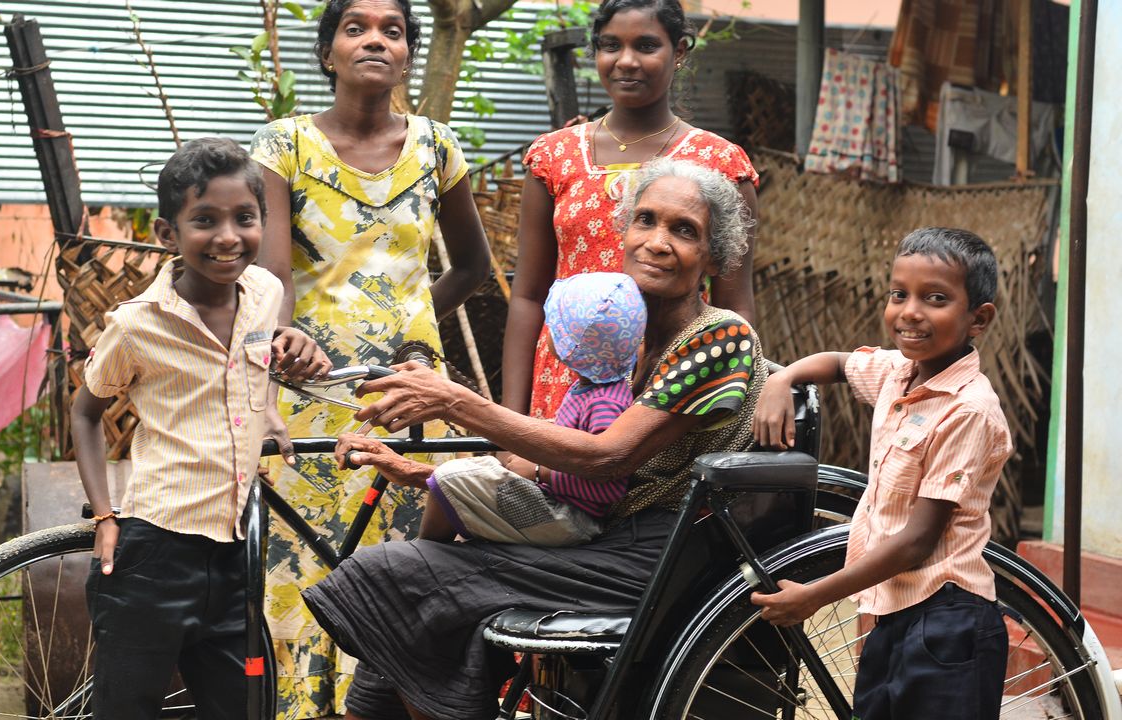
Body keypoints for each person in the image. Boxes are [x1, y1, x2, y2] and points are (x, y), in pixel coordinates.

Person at [302, 159, 767, 720]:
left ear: (714, 257)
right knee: (399, 598)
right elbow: (557, 458)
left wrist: (455, 402)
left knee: (396, 576)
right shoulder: (625, 338)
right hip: (597, 534)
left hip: (660, 557)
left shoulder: (721, 336)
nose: (657, 242)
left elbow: (608, 456)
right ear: (623, 232)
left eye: (684, 230)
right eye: (645, 220)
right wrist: (420, 472)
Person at [248, 0, 491, 712]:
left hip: (414, 393)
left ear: (409, 52)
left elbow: (472, 266)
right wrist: (284, 339)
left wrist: (409, 324)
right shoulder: (284, 145)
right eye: (356, 28)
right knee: (304, 564)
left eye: (394, 30)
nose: (376, 40)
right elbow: (270, 274)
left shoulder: (436, 147)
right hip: (309, 391)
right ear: (328, 53)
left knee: (409, 563)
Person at [69, 137, 331, 719]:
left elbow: (253, 359)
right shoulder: (137, 326)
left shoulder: (265, 293)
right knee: (126, 709)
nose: (228, 237)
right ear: (168, 233)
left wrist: (275, 384)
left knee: (242, 707)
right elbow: (85, 412)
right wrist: (105, 516)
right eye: (205, 220)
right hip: (153, 554)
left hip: (236, 553)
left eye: (245, 218)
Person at [750, 227, 1012, 720]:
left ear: (978, 318)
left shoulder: (969, 411)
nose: (910, 311)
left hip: (947, 622)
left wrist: (815, 596)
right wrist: (784, 378)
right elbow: (838, 363)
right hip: (891, 612)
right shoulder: (898, 372)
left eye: (935, 298)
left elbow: (918, 542)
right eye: (899, 294)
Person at [501, 0, 761, 422]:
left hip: (673, 379)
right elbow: (528, 296)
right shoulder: (553, 156)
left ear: (679, 51)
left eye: (646, 46)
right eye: (611, 46)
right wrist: (509, 423)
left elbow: (736, 306)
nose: (625, 61)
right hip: (563, 378)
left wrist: (731, 407)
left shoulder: (720, 163)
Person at [366, 271, 647, 547]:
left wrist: (538, 471)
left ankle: (426, 551)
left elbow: (609, 487)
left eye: (554, 326)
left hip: (571, 519)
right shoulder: (593, 387)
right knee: (472, 470)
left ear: (569, 347)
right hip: (557, 505)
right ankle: (433, 548)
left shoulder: (604, 403)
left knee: (451, 480)